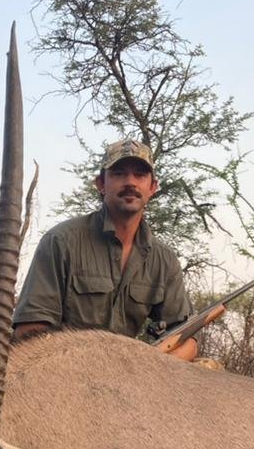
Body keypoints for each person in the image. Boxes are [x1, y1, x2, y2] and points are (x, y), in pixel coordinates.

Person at [12, 139, 198, 360]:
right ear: (100, 184)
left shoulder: (164, 260)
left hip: (133, 374)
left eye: (140, 175)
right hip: (64, 372)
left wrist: (151, 368)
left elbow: (186, 338)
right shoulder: (60, 241)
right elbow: (30, 332)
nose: (130, 182)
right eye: (119, 174)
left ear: (153, 188)